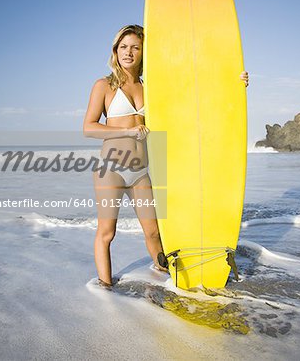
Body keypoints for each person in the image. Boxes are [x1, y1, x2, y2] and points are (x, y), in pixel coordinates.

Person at [83, 24, 249, 287]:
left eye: (135, 47)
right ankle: (105, 289)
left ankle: (171, 281)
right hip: (110, 169)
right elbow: (89, 128)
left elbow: (191, 98)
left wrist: (234, 83)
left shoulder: (151, 89)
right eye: (123, 47)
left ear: (143, 52)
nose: (128, 52)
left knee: (153, 231)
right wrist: (126, 132)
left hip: (140, 172)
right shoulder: (104, 85)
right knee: (107, 232)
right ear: (116, 51)